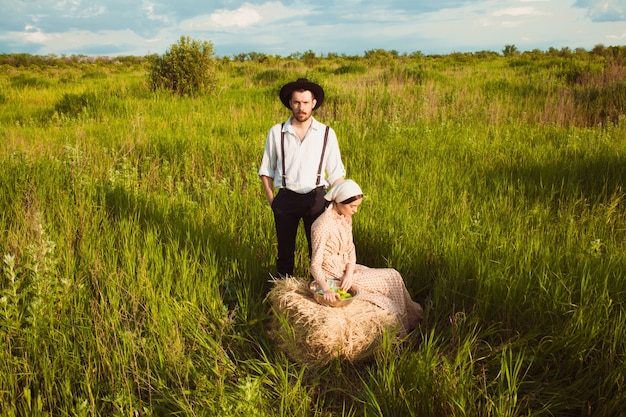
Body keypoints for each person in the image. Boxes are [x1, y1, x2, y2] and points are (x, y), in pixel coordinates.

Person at [310, 179, 423, 334]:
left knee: (394, 276)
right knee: (389, 281)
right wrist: (326, 289)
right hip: (334, 275)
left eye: (357, 206)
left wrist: (350, 273)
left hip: (348, 269)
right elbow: (315, 264)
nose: (355, 210)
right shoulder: (321, 226)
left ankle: (412, 319)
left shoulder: (345, 218)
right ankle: (402, 329)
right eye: (352, 206)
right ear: (340, 202)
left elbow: (351, 250)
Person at [259, 78, 346, 277]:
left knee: (319, 252)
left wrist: (340, 209)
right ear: (290, 103)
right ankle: (283, 295)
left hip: (316, 198)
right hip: (286, 198)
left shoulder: (326, 134)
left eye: (306, 103)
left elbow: (336, 174)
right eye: (297, 102)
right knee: (284, 254)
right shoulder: (277, 132)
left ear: (313, 103)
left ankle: (319, 293)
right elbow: (266, 170)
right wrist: (273, 201)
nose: (301, 108)